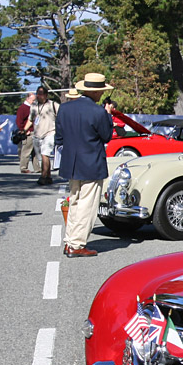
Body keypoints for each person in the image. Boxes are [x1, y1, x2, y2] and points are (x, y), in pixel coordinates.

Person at [55, 73, 114, 258]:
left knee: (75, 201)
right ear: (97, 93)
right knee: (87, 205)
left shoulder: (64, 109)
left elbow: (59, 138)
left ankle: (70, 240)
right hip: (91, 162)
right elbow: (106, 136)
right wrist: (109, 116)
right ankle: (77, 244)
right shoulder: (98, 112)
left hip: (72, 162)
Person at [30, 86, 59, 185]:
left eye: (41, 93)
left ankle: (43, 176)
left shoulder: (53, 105)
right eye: (37, 93)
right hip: (37, 134)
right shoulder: (33, 105)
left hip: (50, 133)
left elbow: (62, 117)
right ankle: (49, 176)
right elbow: (31, 120)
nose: (38, 95)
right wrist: (23, 130)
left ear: (46, 95)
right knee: (42, 157)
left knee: (45, 154)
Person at [15, 93, 37, 174]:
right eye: (33, 100)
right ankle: (24, 168)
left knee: (35, 151)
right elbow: (19, 121)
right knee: (26, 151)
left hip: (34, 132)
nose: (34, 102)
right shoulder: (23, 108)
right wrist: (23, 130)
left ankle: (37, 168)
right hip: (28, 133)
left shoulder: (32, 107)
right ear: (28, 99)